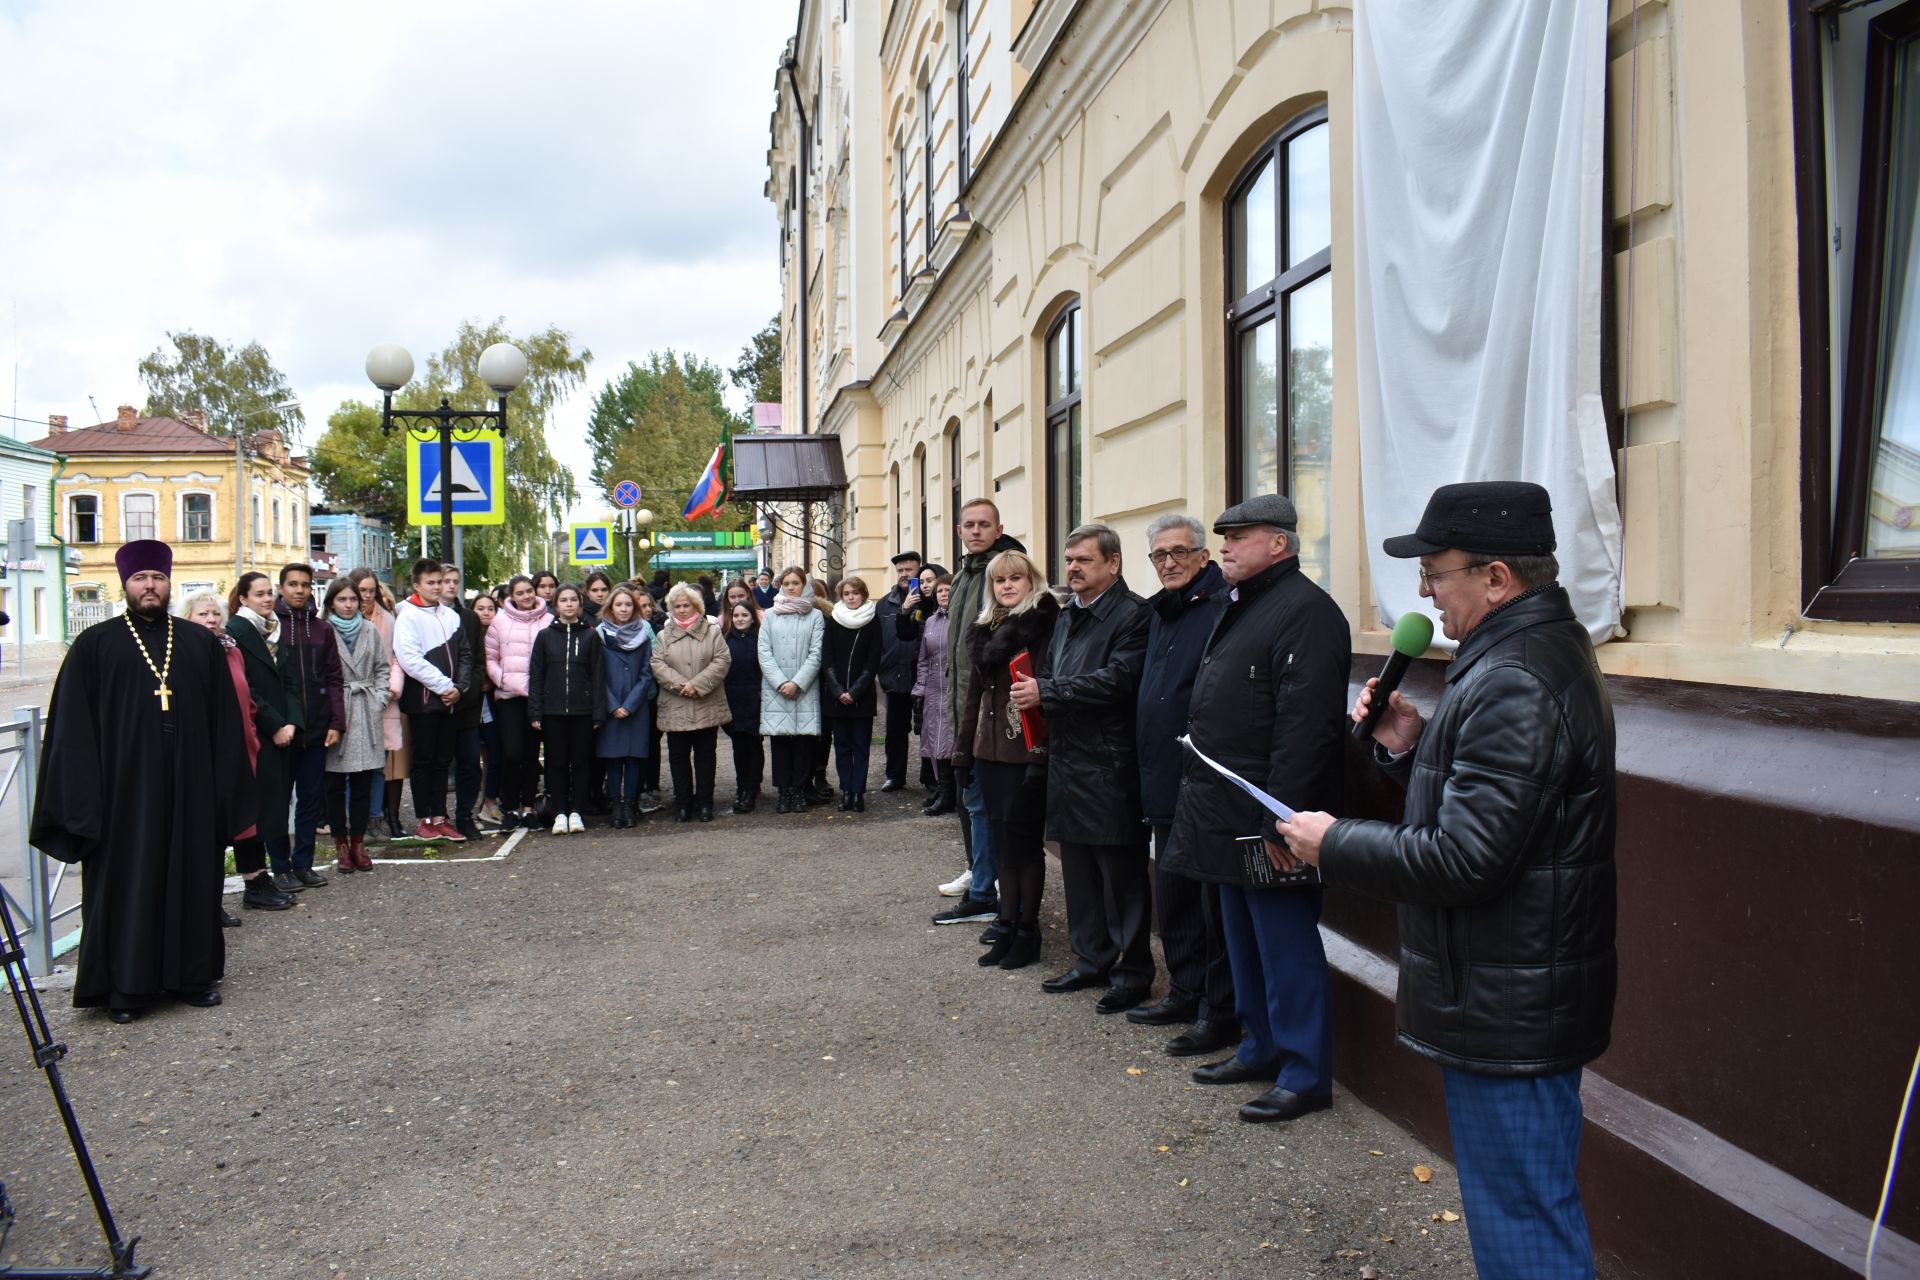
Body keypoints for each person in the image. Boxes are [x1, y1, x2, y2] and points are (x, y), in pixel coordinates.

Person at [1278, 482, 1615, 1276]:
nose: (1424, 594)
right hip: (1510, 985)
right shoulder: (1519, 656)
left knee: (1523, 1219)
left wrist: (1335, 843)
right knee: (1523, 1204)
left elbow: (1467, 859)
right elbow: (1503, 815)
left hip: (1509, 1000)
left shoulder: (1516, 676)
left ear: (1497, 578)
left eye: (1435, 574)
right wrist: (1413, 744)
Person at [1162, 495, 1349, 1124]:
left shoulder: (1307, 611)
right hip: (1228, 807)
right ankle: (1260, 1044)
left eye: (1239, 537)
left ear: (1280, 543)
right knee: (1242, 938)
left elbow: (1307, 726)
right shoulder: (1245, 604)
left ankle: (1304, 1073)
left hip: (1274, 815)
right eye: (1224, 536)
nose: (1225, 547)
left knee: (1285, 943)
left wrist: (1282, 820)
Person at [32, 541, 252, 1022]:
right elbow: (71, 730)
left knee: (192, 878)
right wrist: (84, 800)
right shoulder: (96, 644)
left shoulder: (198, 644)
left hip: (191, 788)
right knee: (127, 882)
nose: (149, 586)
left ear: (169, 582)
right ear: (124, 584)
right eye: (139, 578)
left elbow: (225, 725)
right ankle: (124, 988)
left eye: (157, 576)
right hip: (123, 794)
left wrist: (225, 792)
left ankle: (191, 978)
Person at [1011, 523, 1154, 1012]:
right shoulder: (1071, 614)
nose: (1072, 568)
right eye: (1069, 559)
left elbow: (1120, 681)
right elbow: (1053, 669)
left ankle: (1132, 973)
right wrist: (1040, 689)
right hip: (1068, 759)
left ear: (1113, 563)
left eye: (1083, 560)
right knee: (1078, 872)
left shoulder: (1134, 615)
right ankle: (1091, 959)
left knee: (1120, 876)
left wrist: (1047, 693)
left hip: (1110, 764)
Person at [1128, 514, 1238, 1058]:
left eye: (1179, 552)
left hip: (1203, 782)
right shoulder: (1160, 611)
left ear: (1203, 556)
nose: (1168, 563)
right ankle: (1185, 990)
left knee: (1206, 904)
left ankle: (1216, 1011)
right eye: (1159, 555)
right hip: (1162, 778)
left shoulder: (1220, 606)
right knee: (1172, 897)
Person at [952, 551, 1058, 969]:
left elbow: (1047, 692)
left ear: (1032, 581)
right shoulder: (985, 629)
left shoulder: (1043, 626)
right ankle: (1007, 921)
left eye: (1016, 578)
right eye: (1000, 581)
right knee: (1000, 847)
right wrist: (962, 753)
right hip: (989, 753)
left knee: (1023, 848)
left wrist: (1039, 753)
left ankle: (1027, 932)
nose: (1008, 586)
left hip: (1024, 752)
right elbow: (974, 700)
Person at [934, 499, 1024, 921]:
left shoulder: (1001, 571)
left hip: (991, 710)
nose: (975, 531)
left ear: (998, 527)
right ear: (958, 530)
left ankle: (989, 889)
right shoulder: (966, 573)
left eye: (983, 524)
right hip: (961, 708)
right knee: (971, 800)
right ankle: (981, 876)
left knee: (984, 804)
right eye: (968, 525)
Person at [183, 589, 287, 919]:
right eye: (203, 614)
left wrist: (256, 732)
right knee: (209, 827)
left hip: (245, 748)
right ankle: (206, 904)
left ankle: (255, 884)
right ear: (187, 619)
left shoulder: (232, 651)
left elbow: (247, 696)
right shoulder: (184, 656)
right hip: (207, 755)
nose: (212, 619)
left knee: (249, 818)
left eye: (215, 614)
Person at [226, 573, 300, 908]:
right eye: (259, 594)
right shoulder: (237, 632)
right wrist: (274, 726)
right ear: (242, 599)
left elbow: (288, 680)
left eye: (270, 593)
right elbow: (247, 689)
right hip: (257, 733)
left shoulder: (273, 628)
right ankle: (255, 882)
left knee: (275, 808)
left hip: (283, 731)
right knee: (256, 812)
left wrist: (293, 722)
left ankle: (264, 877)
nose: (268, 599)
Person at [269, 562, 345, 892]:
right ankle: (280, 866)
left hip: (316, 727)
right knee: (278, 800)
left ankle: (304, 863)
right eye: (293, 584)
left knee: (310, 801)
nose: (299, 590)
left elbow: (334, 678)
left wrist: (336, 721)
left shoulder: (323, 630)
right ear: (281, 588)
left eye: (305, 584)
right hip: (282, 731)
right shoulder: (271, 628)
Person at [393, 557, 473, 843]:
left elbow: (465, 654)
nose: (438, 587)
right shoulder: (408, 616)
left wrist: (459, 688)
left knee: (442, 760)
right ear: (417, 585)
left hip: (450, 701)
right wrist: (444, 686)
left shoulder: (451, 616)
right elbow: (410, 659)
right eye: (431, 582)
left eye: (440, 581)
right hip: (424, 702)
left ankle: (441, 816)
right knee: (424, 760)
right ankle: (424, 819)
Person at [321, 577, 388, 874]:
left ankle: (359, 843)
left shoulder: (370, 630)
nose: (348, 605)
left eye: (352, 600)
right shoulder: (323, 630)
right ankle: (341, 845)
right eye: (342, 600)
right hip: (336, 712)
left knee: (363, 781)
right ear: (331, 602)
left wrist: (379, 699)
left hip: (365, 707)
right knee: (334, 784)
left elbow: (382, 668)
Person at [651, 583, 731, 822]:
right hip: (676, 705)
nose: (683, 610)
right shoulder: (663, 635)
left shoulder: (712, 631)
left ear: (696, 606)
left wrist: (697, 684)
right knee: (678, 757)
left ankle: (706, 803)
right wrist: (681, 685)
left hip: (707, 703)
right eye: (678, 606)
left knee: (706, 756)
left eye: (687, 605)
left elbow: (722, 660)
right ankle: (683, 804)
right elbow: (657, 665)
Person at [529, 584, 604, 833]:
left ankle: (577, 812)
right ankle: (559, 811)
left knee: (582, 762)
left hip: (583, 712)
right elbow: (537, 676)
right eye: (564, 600)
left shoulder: (591, 636)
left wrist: (597, 711)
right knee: (556, 762)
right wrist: (536, 711)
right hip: (553, 712)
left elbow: (598, 676)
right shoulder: (545, 636)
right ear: (556, 604)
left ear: (580, 605)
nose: (569, 604)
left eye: (574, 600)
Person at [758, 565, 827, 814]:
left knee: (803, 743)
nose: (790, 587)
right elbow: (764, 652)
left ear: (803, 585)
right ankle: (783, 791)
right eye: (786, 584)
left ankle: (799, 789)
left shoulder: (815, 616)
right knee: (781, 744)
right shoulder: (770, 615)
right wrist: (780, 682)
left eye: (794, 583)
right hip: (776, 689)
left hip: (803, 688)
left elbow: (816, 653)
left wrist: (797, 682)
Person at [486, 575, 552, 830]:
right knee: (511, 753)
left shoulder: (547, 620)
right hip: (509, 697)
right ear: (511, 596)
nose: (526, 597)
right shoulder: (499, 622)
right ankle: (510, 808)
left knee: (532, 754)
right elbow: (490, 656)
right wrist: (500, 678)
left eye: (529, 592)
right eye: (520, 593)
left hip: (537, 698)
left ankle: (527, 808)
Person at [349, 569, 407, 840]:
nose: (367, 596)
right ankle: (353, 821)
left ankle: (374, 819)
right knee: (349, 766)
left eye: (371, 590)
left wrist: (391, 690)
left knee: (376, 765)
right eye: (362, 590)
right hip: (350, 700)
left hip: (383, 699)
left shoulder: (388, 619)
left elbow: (395, 658)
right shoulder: (337, 620)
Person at [595, 585, 655, 828]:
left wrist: (630, 705)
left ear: (635, 608)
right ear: (611, 607)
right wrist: (613, 705)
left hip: (636, 707)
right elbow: (597, 675)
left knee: (633, 758)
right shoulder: (599, 635)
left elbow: (646, 673)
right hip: (611, 707)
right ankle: (616, 805)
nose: (623, 609)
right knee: (613, 759)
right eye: (618, 604)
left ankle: (630, 804)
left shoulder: (643, 633)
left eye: (628, 605)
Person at [821, 575, 883, 811]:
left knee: (861, 747)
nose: (851, 597)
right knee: (842, 747)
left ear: (863, 594)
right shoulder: (834, 619)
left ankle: (858, 792)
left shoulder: (872, 621)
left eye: (855, 593)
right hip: (836, 698)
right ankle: (846, 790)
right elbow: (826, 658)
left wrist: (855, 692)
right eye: (846, 594)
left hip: (862, 697)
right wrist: (838, 691)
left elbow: (873, 660)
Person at [873, 550, 923, 793]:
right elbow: (877, 639)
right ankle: (894, 775)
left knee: (928, 728)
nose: (904, 575)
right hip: (894, 675)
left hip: (923, 675)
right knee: (895, 731)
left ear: (919, 571)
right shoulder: (885, 603)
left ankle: (931, 778)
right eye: (901, 571)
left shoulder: (930, 599)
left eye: (909, 570)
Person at [911, 576, 957, 816]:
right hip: (932, 690)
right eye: (939, 590)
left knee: (950, 742)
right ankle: (942, 789)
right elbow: (923, 658)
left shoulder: (962, 619)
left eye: (948, 590)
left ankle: (951, 793)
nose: (943, 594)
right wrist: (920, 687)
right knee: (934, 741)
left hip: (952, 691)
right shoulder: (929, 621)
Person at [450, 586, 493, 839]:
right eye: (442, 581)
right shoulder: (418, 616)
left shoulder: (468, 618)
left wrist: (469, 687)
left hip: (467, 701)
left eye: (454, 580)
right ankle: (436, 817)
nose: (448, 585)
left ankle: (464, 815)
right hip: (436, 701)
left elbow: (477, 658)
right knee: (439, 761)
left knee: (469, 761)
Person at [721, 598, 765, 814]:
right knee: (739, 746)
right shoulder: (725, 639)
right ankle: (742, 787)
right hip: (732, 699)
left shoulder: (760, 639)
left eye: (744, 615)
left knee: (754, 744)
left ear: (752, 618)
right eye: (736, 615)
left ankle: (751, 787)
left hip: (755, 699)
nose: (740, 619)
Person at [468, 592, 505, 826]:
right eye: (480, 608)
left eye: (490, 608)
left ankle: (489, 801)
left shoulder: (500, 635)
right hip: (471, 704)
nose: (485, 612)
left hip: (493, 704)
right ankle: (473, 806)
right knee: (472, 759)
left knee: (495, 754)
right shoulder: (466, 634)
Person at [633, 589, 666, 813]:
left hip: (650, 694)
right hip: (625, 696)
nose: (645, 610)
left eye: (647, 606)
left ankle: (651, 786)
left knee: (652, 742)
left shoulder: (654, 629)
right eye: (640, 606)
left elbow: (656, 660)